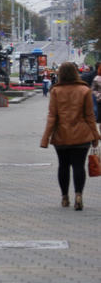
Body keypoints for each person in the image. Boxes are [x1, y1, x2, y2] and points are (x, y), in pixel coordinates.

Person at [40, 61, 100, 211]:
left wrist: (45, 138)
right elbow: (89, 116)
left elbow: (52, 116)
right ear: (75, 73)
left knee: (63, 166)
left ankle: (65, 197)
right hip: (82, 135)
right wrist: (95, 136)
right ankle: (78, 195)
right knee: (79, 166)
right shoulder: (84, 90)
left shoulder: (55, 91)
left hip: (61, 136)